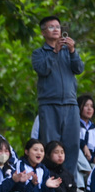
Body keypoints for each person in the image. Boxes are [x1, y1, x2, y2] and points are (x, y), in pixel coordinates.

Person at [33, 15, 84, 176]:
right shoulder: (39, 53)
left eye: (58, 27)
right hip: (49, 104)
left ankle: (69, 184)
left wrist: (73, 51)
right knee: (50, 145)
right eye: (51, 27)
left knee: (71, 146)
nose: (56, 29)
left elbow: (79, 69)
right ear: (43, 32)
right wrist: (55, 52)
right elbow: (42, 69)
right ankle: (50, 181)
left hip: (70, 104)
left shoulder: (68, 52)